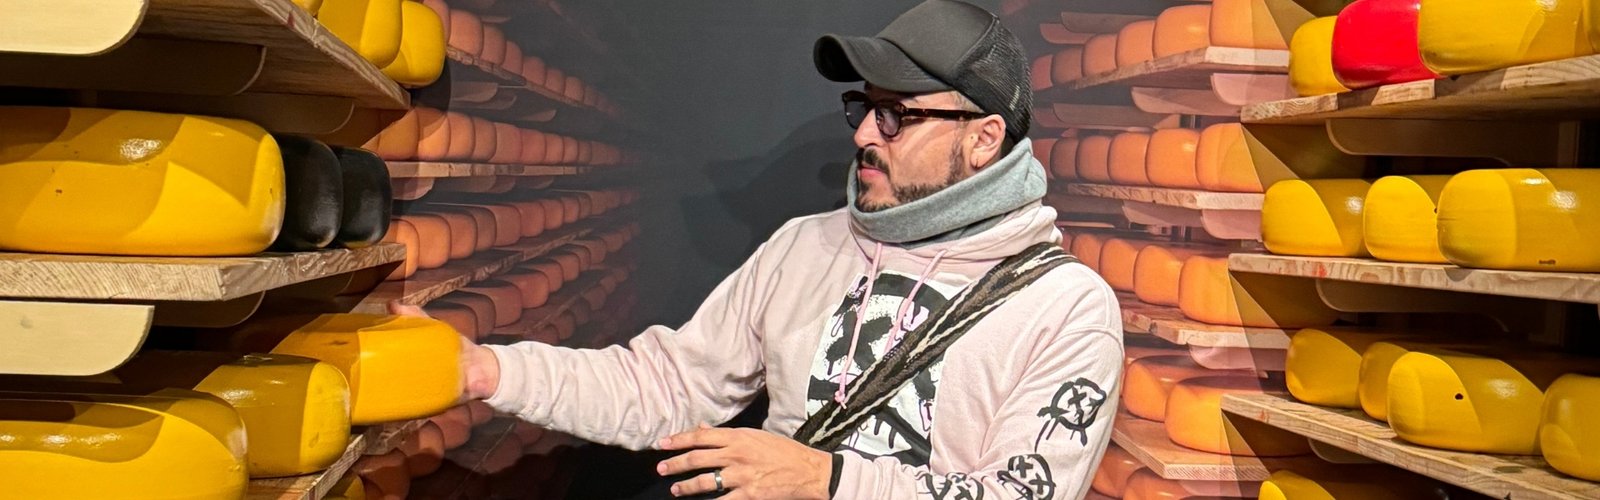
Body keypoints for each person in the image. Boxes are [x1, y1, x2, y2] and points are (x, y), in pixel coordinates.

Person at [398, 1, 1123, 498]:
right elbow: (666, 389)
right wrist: (485, 369)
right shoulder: (806, 248)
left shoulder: (1064, 309)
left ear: (984, 137)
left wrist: (826, 482)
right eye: (863, 107)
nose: (864, 134)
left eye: (897, 115)